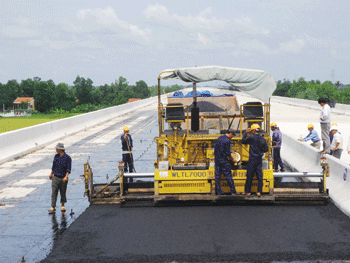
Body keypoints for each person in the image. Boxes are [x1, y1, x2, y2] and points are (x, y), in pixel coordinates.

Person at [242, 123, 269, 196]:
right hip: (259, 159)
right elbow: (266, 149)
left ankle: (247, 191)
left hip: (252, 159)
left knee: (250, 175)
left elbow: (243, 141)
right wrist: (260, 152)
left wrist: (245, 133)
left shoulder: (251, 138)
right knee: (259, 176)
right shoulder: (263, 139)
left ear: (253, 131)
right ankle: (259, 191)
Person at [48, 143, 72, 214]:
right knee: (54, 191)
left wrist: (66, 176)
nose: (55, 149)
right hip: (55, 176)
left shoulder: (67, 158)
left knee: (63, 191)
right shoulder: (56, 156)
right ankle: (53, 206)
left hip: (63, 177)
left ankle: (62, 204)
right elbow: (54, 166)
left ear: (60, 149)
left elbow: (68, 169)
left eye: (56, 148)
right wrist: (51, 174)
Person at [214, 130, 237, 195]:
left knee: (217, 176)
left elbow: (220, 149)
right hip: (223, 161)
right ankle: (233, 191)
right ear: (230, 133)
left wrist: (230, 151)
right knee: (228, 176)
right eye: (232, 136)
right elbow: (227, 153)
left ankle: (218, 192)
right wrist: (233, 159)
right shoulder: (227, 140)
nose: (232, 137)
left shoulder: (219, 138)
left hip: (217, 160)